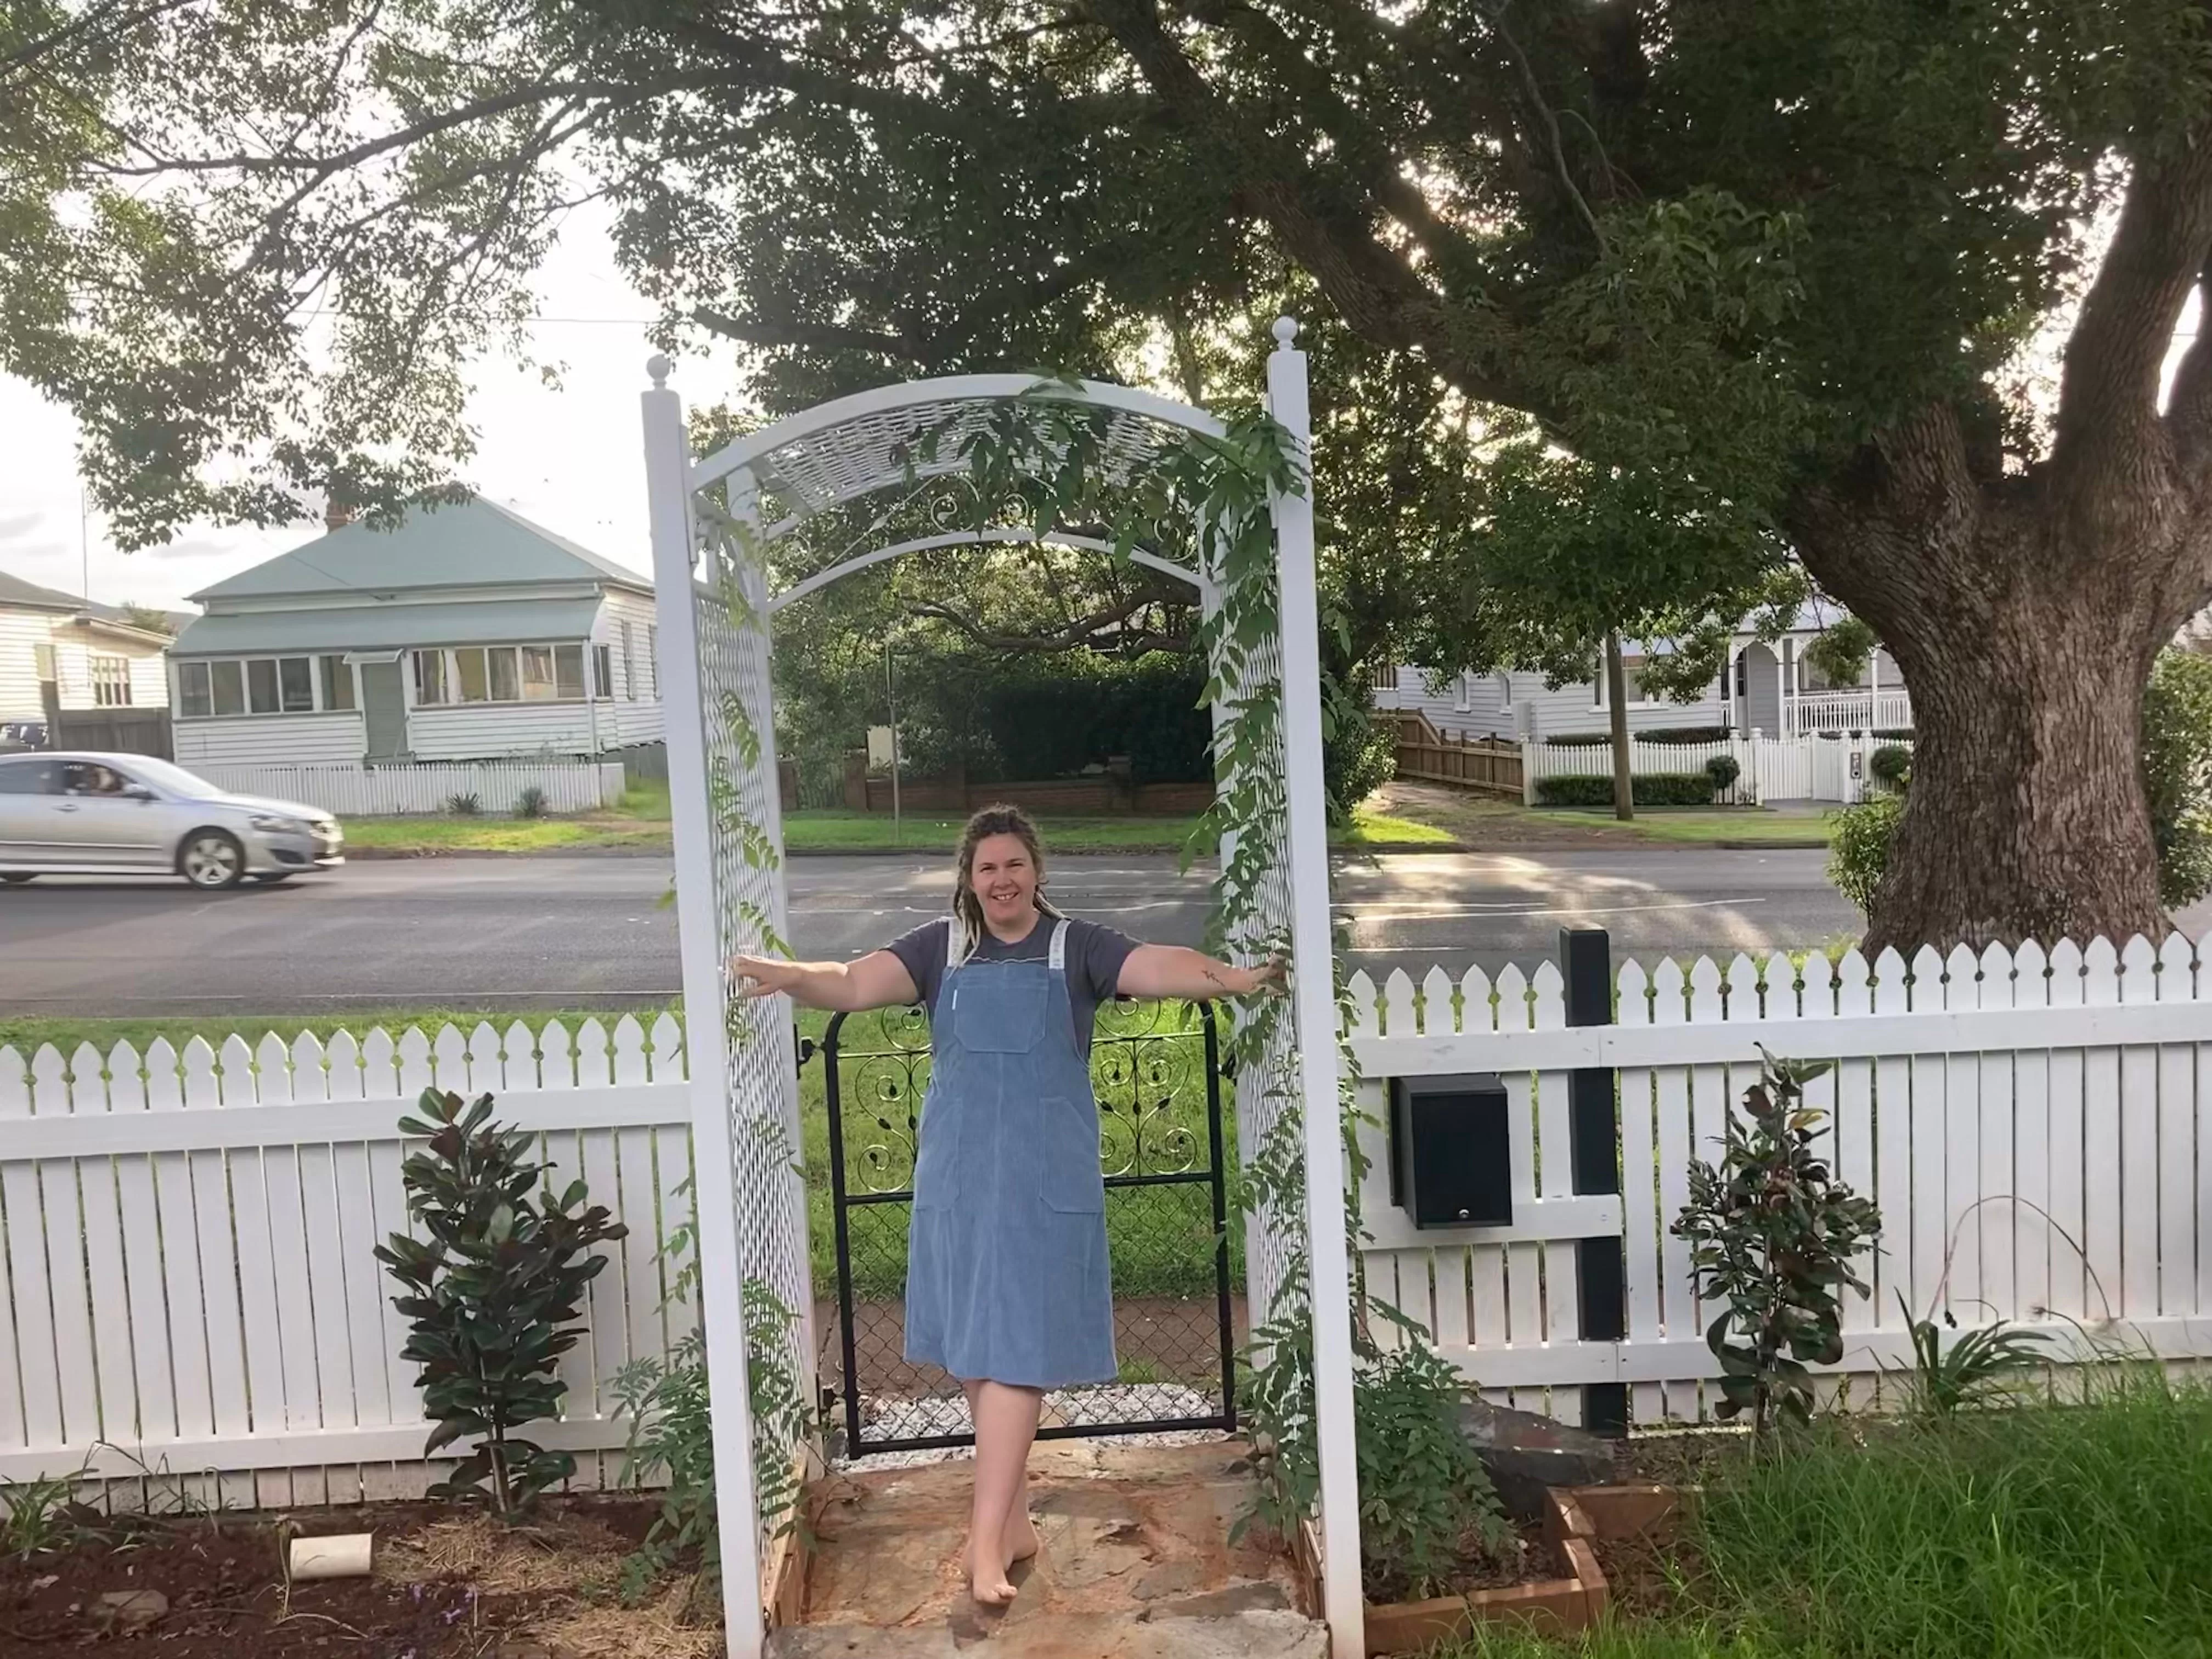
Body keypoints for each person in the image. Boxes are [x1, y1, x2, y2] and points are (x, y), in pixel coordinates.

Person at [732, 803, 1281, 1607]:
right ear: (969, 879)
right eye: (987, 868)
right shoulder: (939, 949)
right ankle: (1016, 1522)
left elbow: (1159, 965)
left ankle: (982, 1543)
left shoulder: (1076, 948)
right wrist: (790, 977)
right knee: (978, 1351)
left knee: (1017, 1350)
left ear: (1037, 872)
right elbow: (852, 983)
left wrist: (1233, 978)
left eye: (1014, 865)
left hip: (1042, 1184)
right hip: (957, 1181)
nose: (1002, 880)